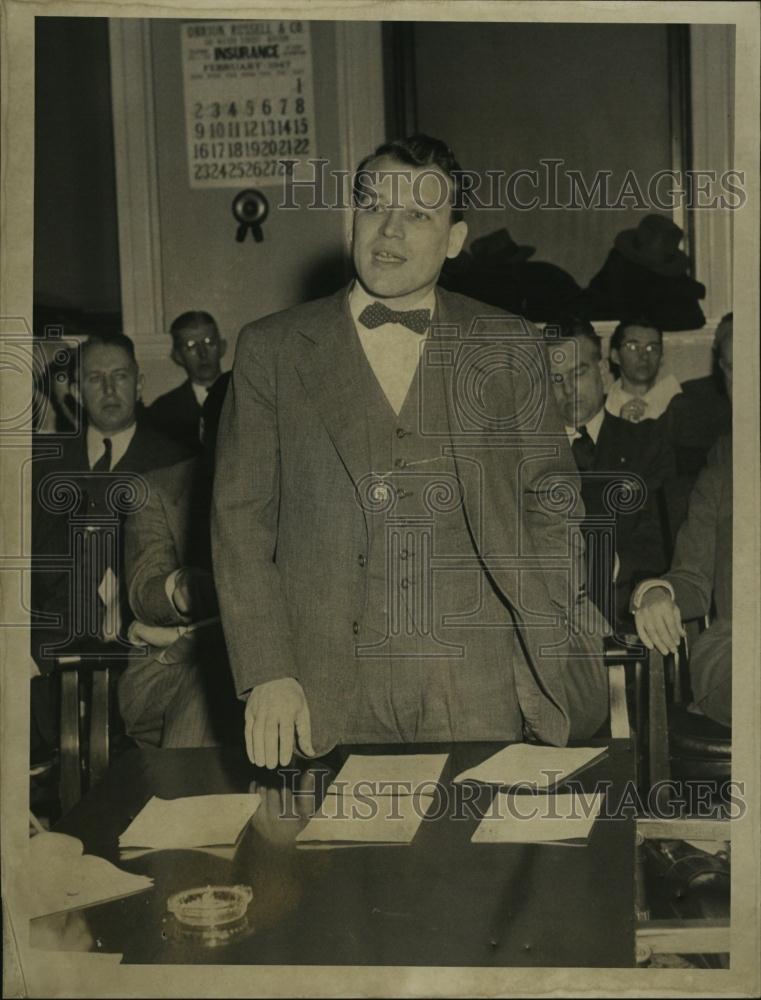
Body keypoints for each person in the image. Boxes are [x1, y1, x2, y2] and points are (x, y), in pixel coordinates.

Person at [212, 133, 609, 771]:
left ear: (454, 238)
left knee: (475, 866)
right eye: (374, 206)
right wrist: (268, 671)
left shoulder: (505, 340)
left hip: (479, 680)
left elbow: (552, 498)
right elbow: (240, 522)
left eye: (419, 215)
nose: (389, 230)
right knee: (329, 867)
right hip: (322, 686)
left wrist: (540, 620)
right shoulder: (273, 350)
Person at [31, 333, 188, 761]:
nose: (109, 389)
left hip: (138, 634)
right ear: (76, 392)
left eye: (120, 377)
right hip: (52, 633)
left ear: (139, 385)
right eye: (95, 379)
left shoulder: (176, 462)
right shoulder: (43, 463)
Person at [118, 373, 242, 748]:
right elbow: (144, 592)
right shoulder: (157, 490)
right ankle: (191, 804)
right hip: (167, 670)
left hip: (263, 669)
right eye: (231, 431)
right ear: (205, 429)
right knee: (213, 687)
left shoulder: (298, 493)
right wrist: (180, 589)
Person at [632, 321, 732, 726]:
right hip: (738, 650)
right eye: (730, 368)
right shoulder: (725, 462)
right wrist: (656, 592)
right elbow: (691, 575)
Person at [547, 319, 676, 627]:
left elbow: (658, 541)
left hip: (624, 608)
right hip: (547, 615)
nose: (568, 389)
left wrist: (602, 566)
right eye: (555, 378)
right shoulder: (525, 456)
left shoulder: (646, 445)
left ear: (603, 372)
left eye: (579, 373)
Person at [148, 311, 227, 452]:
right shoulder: (162, 411)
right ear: (177, 356)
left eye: (209, 342)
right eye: (191, 346)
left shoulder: (245, 395)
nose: (203, 353)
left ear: (222, 347)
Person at [605, 318, 682, 422]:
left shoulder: (679, 404)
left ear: (661, 357)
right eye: (633, 347)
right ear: (615, 356)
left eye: (652, 348)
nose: (644, 356)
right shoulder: (601, 410)